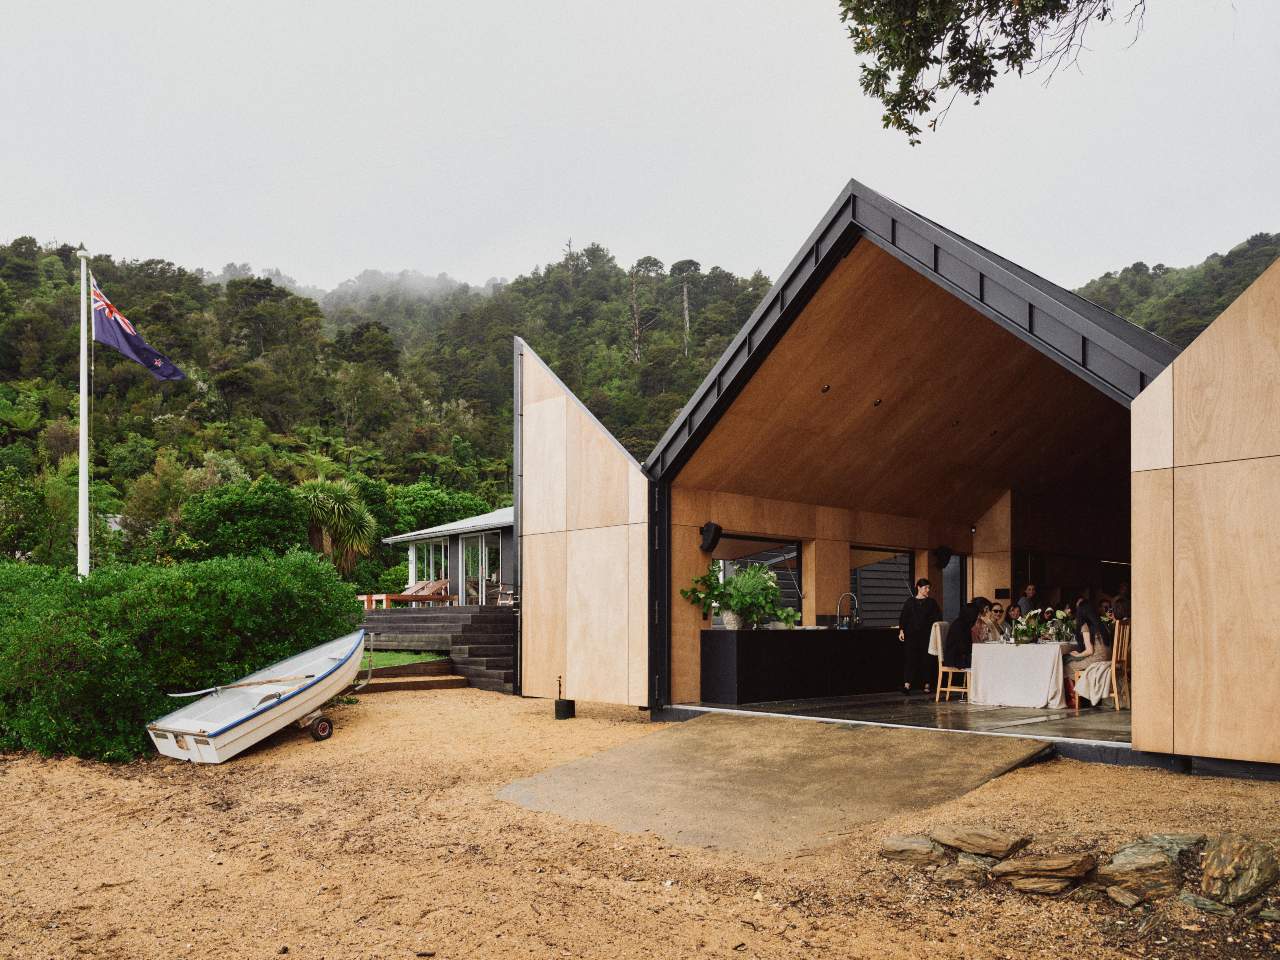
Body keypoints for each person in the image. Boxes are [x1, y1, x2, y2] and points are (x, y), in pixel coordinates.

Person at [897, 577, 942, 695]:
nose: (928, 590)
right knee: (910, 659)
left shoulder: (932, 603)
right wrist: (901, 630)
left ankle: (927, 684)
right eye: (925, 588)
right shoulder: (910, 602)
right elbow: (904, 617)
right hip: (911, 635)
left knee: (926, 659)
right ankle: (907, 684)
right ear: (918, 588)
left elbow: (938, 618)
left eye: (929, 588)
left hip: (927, 635)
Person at [1066, 599, 1113, 707]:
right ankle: (1082, 697)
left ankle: (1075, 699)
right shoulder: (1102, 623)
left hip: (1097, 660)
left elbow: (1089, 651)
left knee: (1066, 665)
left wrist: (1077, 655)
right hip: (1108, 658)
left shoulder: (1085, 626)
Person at [943, 598, 986, 670]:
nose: (978, 617)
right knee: (983, 660)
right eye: (976, 615)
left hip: (959, 656)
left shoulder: (963, 623)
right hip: (956, 659)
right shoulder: (959, 626)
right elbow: (963, 647)